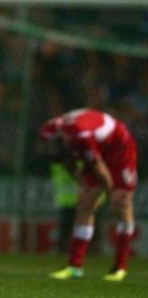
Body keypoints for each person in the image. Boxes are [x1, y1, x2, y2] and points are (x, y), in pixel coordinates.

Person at [40, 109, 136, 282]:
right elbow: (67, 162)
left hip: (118, 147)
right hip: (94, 148)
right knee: (85, 202)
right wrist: (84, 185)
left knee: (122, 202)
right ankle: (75, 266)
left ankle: (120, 267)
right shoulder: (48, 133)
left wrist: (108, 194)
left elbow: (101, 171)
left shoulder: (82, 136)